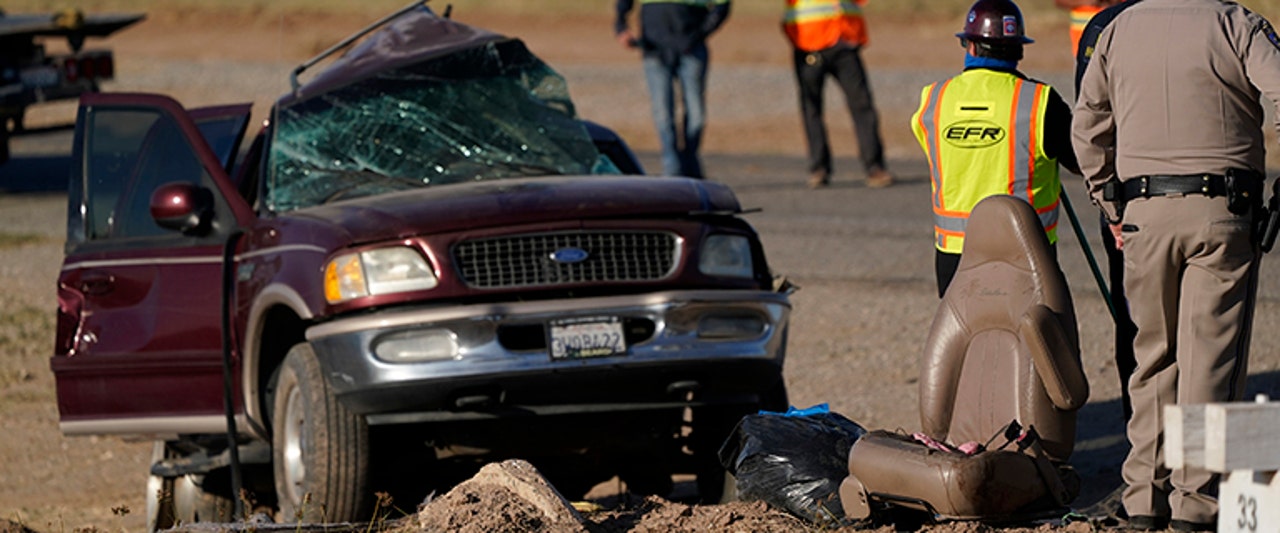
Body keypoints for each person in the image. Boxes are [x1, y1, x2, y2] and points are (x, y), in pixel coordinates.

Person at [1072, 1, 1280, 530]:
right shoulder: (1236, 24)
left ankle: (1144, 496)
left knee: (1152, 358)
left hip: (1143, 215)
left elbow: (1089, 125)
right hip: (1222, 212)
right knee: (1210, 360)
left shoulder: (1118, 29)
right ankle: (1198, 503)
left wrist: (1110, 205)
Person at [911, 0, 1079, 297]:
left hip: (955, 255)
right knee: (1037, 339)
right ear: (1019, 50)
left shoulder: (933, 101)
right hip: (1027, 251)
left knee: (968, 339)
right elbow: (1082, 161)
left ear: (971, 47)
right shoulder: (1041, 102)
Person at [1072, 0, 1141, 425]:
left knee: (1134, 322)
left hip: (1129, 199)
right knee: (1205, 332)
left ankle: (1142, 437)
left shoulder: (1104, 26)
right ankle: (1195, 458)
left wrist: (1109, 203)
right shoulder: (1222, 16)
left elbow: (1090, 122)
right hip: (1211, 199)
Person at [782, 0, 893, 189]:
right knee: (811, 108)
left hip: (844, 42)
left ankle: (874, 166)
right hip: (808, 43)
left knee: (862, 105)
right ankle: (819, 168)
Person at [614, 0, 730, 179]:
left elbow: (722, 6)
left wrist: (701, 33)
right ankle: (672, 166)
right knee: (663, 113)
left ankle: (690, 160)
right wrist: (621, 26)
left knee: (696, 114)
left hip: (691, 48)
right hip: (655, 49)